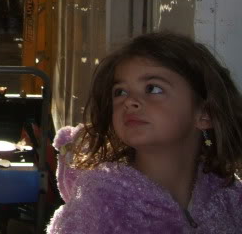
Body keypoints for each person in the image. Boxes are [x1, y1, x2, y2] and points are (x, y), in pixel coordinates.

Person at [47, 32, 242, 233]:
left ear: (205, 114)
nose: (129, 101)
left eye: (153, 89)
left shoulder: (230, 200)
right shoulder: (98, 203)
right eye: (120, 92)